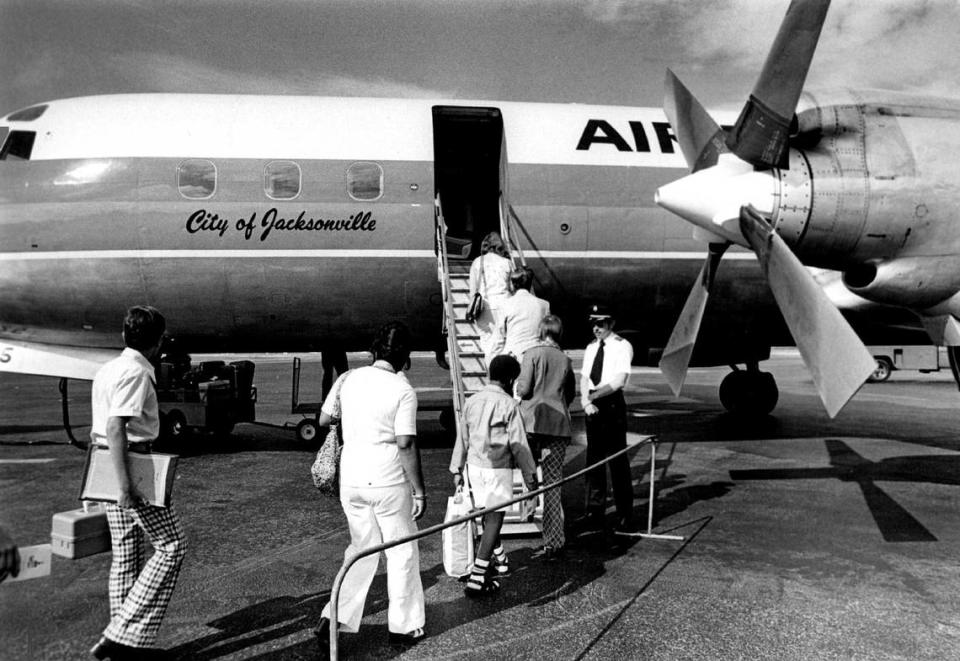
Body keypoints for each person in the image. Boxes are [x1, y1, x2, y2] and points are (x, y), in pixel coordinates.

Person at [314, 322, 427, 652]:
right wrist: (420, 490)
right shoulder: (402, 390)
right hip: (388, 479)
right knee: (401, 551)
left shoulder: (348, 379)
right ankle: (404, 626)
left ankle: (333, 616)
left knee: (361, 549)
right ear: (404, 356)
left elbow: (324, 419)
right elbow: (406, 443)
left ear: (373, 350)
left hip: (351, 478)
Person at [90, 306, 188, 661]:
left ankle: (127, 648)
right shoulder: (135, 373)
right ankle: (118, 636)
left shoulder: (108, 369)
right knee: (172, 546)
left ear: (124, 336)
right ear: (158, 342)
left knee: (127, 554)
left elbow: (99, 428)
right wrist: (124, 486)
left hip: (105, 462)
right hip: (130, 465)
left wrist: (99, 482)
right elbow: (117, 427)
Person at [450, 355, 538, 597]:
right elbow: (519, 444)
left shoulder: (472, 401)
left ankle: (499, 560)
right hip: (498, 468)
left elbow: (463, 438)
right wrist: (531, 479)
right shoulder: (509, 405)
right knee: (494, 520)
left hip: (474, 468)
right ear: (510, 379)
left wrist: (457, 468)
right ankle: (477, 579)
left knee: (484, 517)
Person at [516, 315, 576, 559]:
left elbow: (524, 388)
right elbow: (570, 393)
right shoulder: (565, 360)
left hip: (531, 421)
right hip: (558, 425)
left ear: (541, 332)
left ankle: (527, 508)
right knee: (553, 483)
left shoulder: (531, 353)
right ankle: (554, 540)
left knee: (528, 472)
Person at [579, 304, 639, 537]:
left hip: (611, 404)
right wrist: (585, 401)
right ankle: (594, 511)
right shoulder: (591, 347)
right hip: (592, 405)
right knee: (593, 460)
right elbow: (585, 377)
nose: (596, 328)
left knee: (617, 461)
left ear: (611, 324)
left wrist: (591, 397)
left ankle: (624, 513)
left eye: (601, 324)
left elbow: (619, 381)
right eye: (593, 324)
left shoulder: (622, 346)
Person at [468, 232, 513, 364]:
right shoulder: (507, 263)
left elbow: (473, 291)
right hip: (505, 304)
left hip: (485, 307)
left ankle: (492, 377)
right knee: (504, 345)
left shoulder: (477, 262)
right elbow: (512, 287)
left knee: (488, 346)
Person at [498, 266, 550, 361]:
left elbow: (500, 334)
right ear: (530, 284)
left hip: (512, 356)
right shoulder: (544, 305)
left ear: (512, 284)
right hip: (536, 356)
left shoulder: (505, 304)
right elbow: (546, 334)